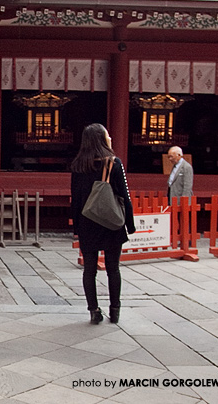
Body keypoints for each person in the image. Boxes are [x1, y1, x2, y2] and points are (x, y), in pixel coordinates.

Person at [70, 123, 135, 324]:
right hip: (110, 223)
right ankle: (114, 310)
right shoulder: (113, 163)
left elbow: (76, 197)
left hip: (87, 222)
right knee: (113, 267)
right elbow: (125, 195)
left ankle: (93, 310)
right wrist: (129, 224)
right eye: (107, 134)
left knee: (89, 269)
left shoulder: (78, 165)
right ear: (102, 138)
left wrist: (76, 227)